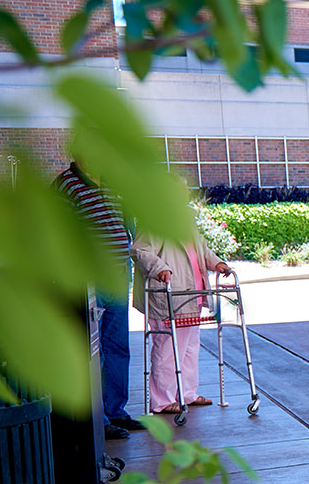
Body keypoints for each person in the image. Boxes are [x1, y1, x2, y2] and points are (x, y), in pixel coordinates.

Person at [57, 162, 144, 441]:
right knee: (96, 353)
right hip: (90, 277)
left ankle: (116, 411)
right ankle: (100, 420)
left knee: (118, 346)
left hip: (118, 273)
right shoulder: (67, 185)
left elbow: (127, 221)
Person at [131, 225, 232, 414]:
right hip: (169, 295)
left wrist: (217, 263)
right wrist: (159, 267)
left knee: (190, 349)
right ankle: (162, 400)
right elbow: (139, 250)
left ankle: (187, 394)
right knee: (167, 348)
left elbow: (201, 248)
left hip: (191, 295)